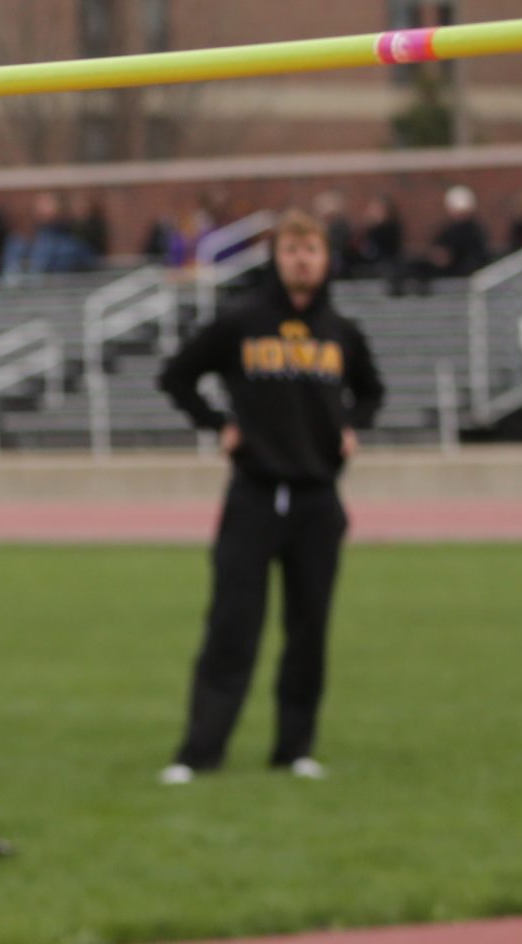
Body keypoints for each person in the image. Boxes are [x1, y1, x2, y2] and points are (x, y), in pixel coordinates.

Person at [155, 210, 384, 786]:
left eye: (311, 249)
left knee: (308, 631)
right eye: (290, 250)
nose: (301, 259)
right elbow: (177, 375)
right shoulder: (242, 323)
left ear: (325, 259)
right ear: (276, 258)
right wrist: (218, 424)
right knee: (232, 628)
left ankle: (294, 748)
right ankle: (199, 752)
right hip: (253, 497)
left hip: (316, 500)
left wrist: (353, 425)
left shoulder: (341, 332)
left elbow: (373, 391)